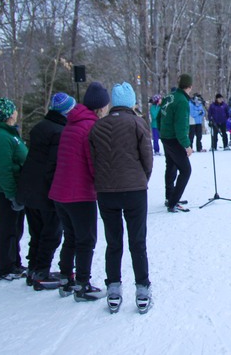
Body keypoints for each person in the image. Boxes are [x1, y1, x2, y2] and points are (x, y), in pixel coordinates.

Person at [89, 82, 154, 314]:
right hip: (134, 189)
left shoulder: (98, 126)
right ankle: (142, 288)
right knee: (137, 241)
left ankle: (114, 288)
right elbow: (148, 157)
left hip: (106, 192)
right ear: (131, 102)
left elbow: (94, 160)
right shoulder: (138, 123)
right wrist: (142, 178)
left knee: (113, 241)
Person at [48, 81, 110, 301]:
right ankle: (82, 285)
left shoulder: (72, 123)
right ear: (100, 108)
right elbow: (93, 163)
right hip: (78, 193)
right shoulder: (90, 127)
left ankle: (66, 279)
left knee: (71, 237)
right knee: (86, 239)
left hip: (60, 192)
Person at [17, 92, 74, 290]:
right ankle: (41, 271)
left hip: (29, 187)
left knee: (37, 231)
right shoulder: (59, 132)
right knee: (51, 232)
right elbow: (53, 165)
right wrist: (56, 190)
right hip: (45, 190)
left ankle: (34, 268)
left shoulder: (40, 127)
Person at [0, 97, 28, 281]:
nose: (16, 112)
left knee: (15, 228)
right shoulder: (2, 138)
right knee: (8, 229)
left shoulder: (9, 133)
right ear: (8, 114)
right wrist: (11, 195)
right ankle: (5, 267)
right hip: (6, 192)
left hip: (16, 189)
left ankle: (14, 262)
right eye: (13, 110)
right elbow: (3, 169)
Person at [159, 74, 194, 213]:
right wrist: (187, 145)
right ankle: (173, 202)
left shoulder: (169, 96)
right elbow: (180, 127)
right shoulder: (182, 101)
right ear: (189, 86)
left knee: (171, 166)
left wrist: (162, 132)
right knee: (186, 170)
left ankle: (169, 196)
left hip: (166, 137)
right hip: (174, 139)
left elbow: (158, 117)